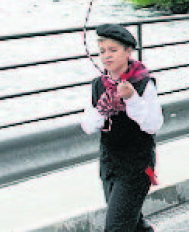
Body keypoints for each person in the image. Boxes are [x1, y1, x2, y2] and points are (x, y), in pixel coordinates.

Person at [80, 23, 164, 232]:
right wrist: (103, 108)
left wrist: (132, 99)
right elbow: (88, 126)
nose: (107, 56)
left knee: (117, 226)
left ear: (128, 51)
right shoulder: (98, 85)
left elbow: (153, 124)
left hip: (137, 166)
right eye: (102, 51)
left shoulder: (144, 84)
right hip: (109, 164)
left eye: (113, 50)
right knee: (130, 222)